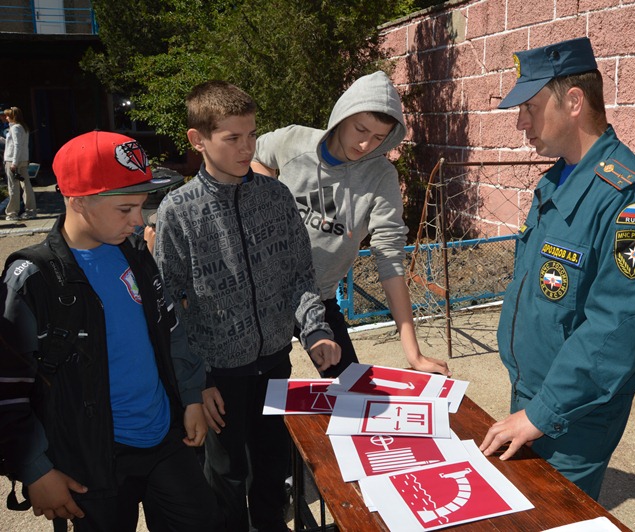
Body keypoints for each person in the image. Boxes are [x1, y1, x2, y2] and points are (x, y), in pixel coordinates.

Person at [478, 37, 635, 500]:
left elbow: (620, 328)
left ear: (573, 101)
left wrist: (541, 412)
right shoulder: (558, 180)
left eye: (529, 106)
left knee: (550, 514)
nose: (520, 122)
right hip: (536, 392)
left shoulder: (630, 198)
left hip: (576, 412)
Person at [0, 131, 220, 530]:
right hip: (90, 459)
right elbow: (8, 388)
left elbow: (170, 327)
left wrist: (190, 396)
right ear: (79, 200)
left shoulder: (133, 253)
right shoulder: (32, 278)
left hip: (163, 438)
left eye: (142, 205)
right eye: (125, 209)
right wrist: (34, 470)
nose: (140, 220)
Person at [154, 80, 341, 531]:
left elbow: (300, 276)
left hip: (276, 364)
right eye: (232, 138)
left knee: (273, 471)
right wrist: (195, 382)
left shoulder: (277, 198)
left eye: (252, 135)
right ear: (197, 141)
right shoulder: (177, 211)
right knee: (226, 478)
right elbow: (168, 308)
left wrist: (315, 329)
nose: (246, 147)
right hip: (218, 379)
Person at [251, 71, 450, 378]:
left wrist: (413, 352)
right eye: (360, 129)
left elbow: (390, 258)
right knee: (264, 398)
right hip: (265, 295)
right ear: (341, 116)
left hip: (319, 299)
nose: (365, 143)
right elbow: (253, 156)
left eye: (379, 138)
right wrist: (269, 202)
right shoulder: (293, 141)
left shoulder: (381, 176)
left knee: (351, 392)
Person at [4, 107, 37, 221]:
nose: (6, 117)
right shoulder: (23, 127)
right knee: (26, 185)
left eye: (8, 115)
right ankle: (31, 210)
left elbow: (17, 146)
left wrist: (14, 162)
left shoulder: (15, 128)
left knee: (13, 186)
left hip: (13, 160)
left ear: (13, 116)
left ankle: (12, 212)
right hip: (22, 160)